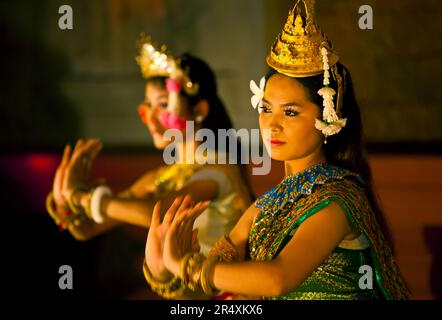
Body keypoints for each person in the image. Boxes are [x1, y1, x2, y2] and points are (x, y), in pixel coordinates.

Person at [144, 0, 409, 300]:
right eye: (266, 109)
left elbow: (277, 279)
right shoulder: (264, 207)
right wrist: (163, 271)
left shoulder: (338, 200)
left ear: (327, 119)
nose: (272, 124)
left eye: (291, 112)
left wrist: (186, 266)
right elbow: (218, 290)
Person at [45, 35, 253, 257]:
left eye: (163, 105)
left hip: (221, 290)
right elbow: (86, 229)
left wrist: (83, 197)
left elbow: (159, 214)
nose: (152, 119)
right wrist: (64, 200)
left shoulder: (216, 171)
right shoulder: (160, 178)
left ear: (200, 109)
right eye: (147, 107)